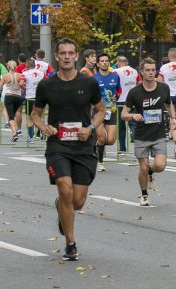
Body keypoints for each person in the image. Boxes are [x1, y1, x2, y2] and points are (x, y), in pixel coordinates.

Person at [31, 38, 106, 261]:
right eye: (62, 52)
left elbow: (101, 110)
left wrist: (90, 128)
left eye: (70, 53)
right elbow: (35, 114)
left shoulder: (88, 83)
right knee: (65, 189)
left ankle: (62, 208)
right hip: (58, 145)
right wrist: (43, 126)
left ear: (76, 56)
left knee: (78, 201)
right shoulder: (47, 85)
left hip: (83, 146)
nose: (66, 56)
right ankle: (70, 244)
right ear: (56, 56)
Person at [122, 57, 176, 206]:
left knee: (160, 165)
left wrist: (173, 118)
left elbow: (169, 104)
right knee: (143, 167)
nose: (151, 73)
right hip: (141, 135)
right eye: (148, 70)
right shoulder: (134, 92)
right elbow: (123, 114)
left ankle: (151, 173)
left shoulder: (163, 88)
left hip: (158, 134)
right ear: (142, 72)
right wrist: (133, 115)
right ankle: (144, 194)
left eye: (153, 70)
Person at [93, 52, 121, 171]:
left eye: (106, 61)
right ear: (98, 64)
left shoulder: (115, 76)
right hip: (98, 112)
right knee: (102, 138)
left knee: (110, 140)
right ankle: (99, 162)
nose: (105, 63)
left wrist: (117, 96)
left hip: (112, 111)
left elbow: (119, 90)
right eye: (102, 61)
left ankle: (97, 146)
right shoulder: (93, 79)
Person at [113, 56, 140, 154]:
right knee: (132, 120)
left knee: (121, 125)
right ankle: (133, 133)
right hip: (132, 100)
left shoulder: (116, 71)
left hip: (120, 100)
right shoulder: (134, 71)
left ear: (118, 63)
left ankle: (122, 148)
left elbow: (114, 84)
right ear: (127, 62)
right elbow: (139, 83)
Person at [0, 60, 25, 142]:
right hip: (18, 97)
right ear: (16, 67)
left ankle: (14, 133)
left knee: (11, 116)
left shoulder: (5, 76)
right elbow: (22, 86)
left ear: (7, 67)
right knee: (17, 113)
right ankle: (18, 129)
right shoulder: (20, 75)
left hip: (9, 96)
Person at [21, 58, 46, 142]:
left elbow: (21, 83)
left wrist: (24, 89)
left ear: (27, 65)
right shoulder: (42, 73)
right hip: (40, 97)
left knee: (29, 117)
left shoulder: (25, 73)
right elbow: (46, 82)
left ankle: (30, 137)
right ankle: (43, 133)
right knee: (39, 116)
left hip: (29, 97)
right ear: (35, 65)